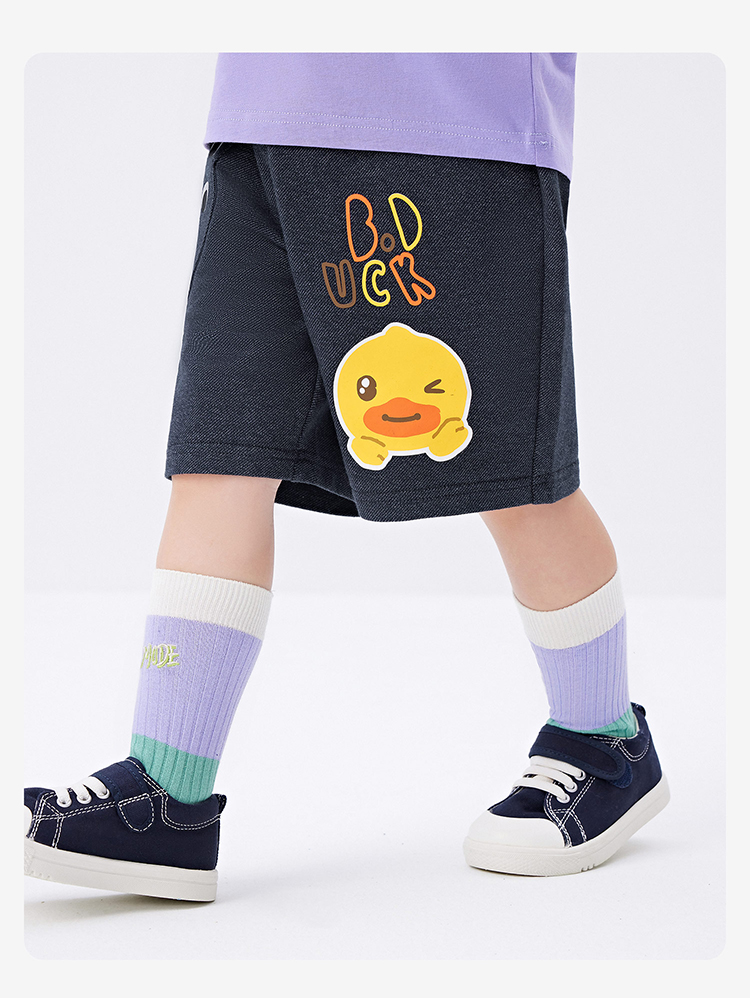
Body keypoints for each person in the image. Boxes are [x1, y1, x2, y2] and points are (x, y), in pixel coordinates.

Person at [24, 52, 669, 901]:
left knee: (507, 469)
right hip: (262, 117)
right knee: (222, 453)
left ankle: (604, 737)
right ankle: (167, 795)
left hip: (449, 123)